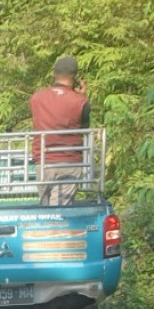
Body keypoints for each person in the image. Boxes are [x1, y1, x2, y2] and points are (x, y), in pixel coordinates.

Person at [31, 55, 90, 206]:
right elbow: (84, 127)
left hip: (43, 161)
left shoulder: (37, 98)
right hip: (69, 161)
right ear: (75, 76)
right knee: (60, 214)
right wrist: (81, 96)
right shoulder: (80, 101)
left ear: (53, 74)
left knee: (46, 211)